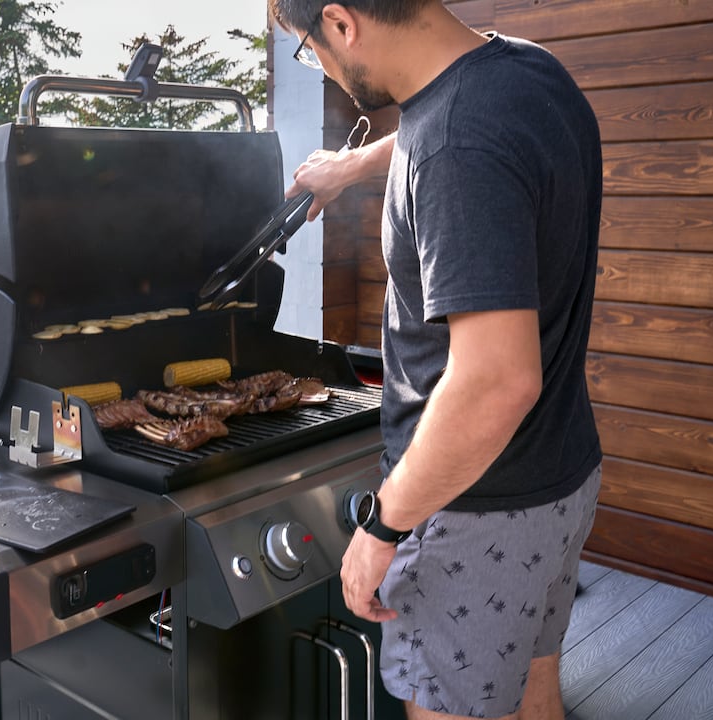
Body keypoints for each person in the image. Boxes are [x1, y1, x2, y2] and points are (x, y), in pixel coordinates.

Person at [269, 2, 604, 719]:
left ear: (341, 23)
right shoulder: (526, 70)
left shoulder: (454, 147)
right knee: (535, 688)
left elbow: (497, 381)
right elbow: (450, 130)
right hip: (560, 476)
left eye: (308, 48)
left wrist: (383, 528)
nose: (320, 67)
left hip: (473, 510)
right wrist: (353, 165)